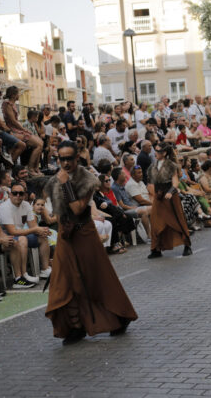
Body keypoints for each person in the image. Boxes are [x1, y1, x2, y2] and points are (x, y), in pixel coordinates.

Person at [44, 140, 138, 345]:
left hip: (84, 234)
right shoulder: (56, 180)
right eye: (62, 159)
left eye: (70, 158)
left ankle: (120, 316)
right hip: (65, 236)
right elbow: (59, 211)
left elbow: (78, 208)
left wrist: (65, 184)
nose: (66, 163)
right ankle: (75, 327)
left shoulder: (86, 178)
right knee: (62, 283)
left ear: (77, 157)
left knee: (97, 279)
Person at [0, 180, 52, 281]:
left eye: (21, 193)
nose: (18, 195)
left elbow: (33, 225)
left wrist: (41, 230)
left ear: (24, 194)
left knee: (42, 236)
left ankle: (45, 269)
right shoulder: (4, 208)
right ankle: (23, 275)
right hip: (5, 237)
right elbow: (12, 231)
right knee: (22, 239)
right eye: (15, 193)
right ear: (10, 194)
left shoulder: (26, 205)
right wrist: (35, 229)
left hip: (19, 234)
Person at [146, 142, 192, 258]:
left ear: (164, 153)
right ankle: (156, 249)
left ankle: (187, 245)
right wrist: (154, 195)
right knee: (155, 222)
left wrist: (170, 192)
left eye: (158, 151)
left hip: (170, 197)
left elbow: (175, 182)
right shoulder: (153, 166)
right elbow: (150, 183)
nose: (155, 153)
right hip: (158, 197)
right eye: (155, 150)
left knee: (177, 221)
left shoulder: (171, 165)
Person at [2, 86, 44, 176]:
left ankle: (36, 168)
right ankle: (30, 168)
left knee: (40, 143)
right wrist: (23, 129)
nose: (19, 95)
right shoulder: (7, 104)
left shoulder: (12, 104)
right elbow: (13, 121)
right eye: (18, 93)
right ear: (13, 95)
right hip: (13, 130)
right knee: (39, 144)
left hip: (17, 129)